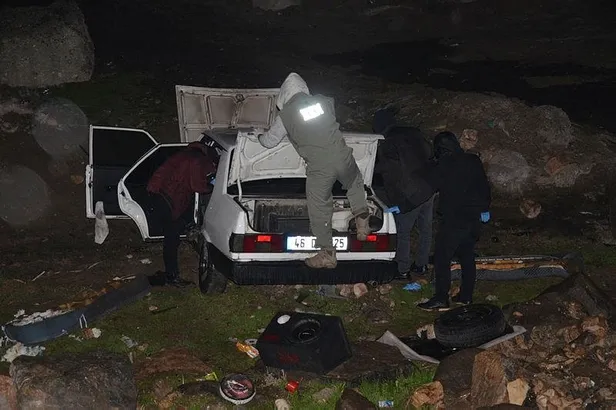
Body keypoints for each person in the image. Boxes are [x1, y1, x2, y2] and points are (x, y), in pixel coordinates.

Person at [255, 72, 373, 269]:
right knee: (354, 182)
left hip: (320, 166)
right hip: (343, 155)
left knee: (319, 208)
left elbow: (270, 142)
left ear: (284, 95)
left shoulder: (286, 115)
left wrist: (259, 136)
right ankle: (361, 215)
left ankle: (327, 253)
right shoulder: (324, 102)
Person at [417, 131, 491, 311]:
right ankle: (466, 296)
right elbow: (484, 187)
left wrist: (403, 204)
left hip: (454, 220)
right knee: (467, 256)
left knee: (442, 258)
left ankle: (441, 298)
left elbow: (426, 187)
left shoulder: (444, 165)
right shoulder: (473, 160)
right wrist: (484, 208)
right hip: (473, 219)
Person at [372, 107, 437, 279]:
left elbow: (391, 174)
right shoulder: (415, 133)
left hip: (411, 193)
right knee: (425, 229)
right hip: (429, 187)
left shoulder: (388, 142)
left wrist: (397, 202)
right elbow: (430, 154)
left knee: (403, 231)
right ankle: (421, 265)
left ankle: (402, 269)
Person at [146, 137, 219, 287]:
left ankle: (171, 274)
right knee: (171, 238)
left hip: (160, 194)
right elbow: (198, 186)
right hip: (166, 198)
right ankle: (171, 276)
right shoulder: (196, 160)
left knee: (173, 234)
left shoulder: (187, 154)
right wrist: (214, 187)